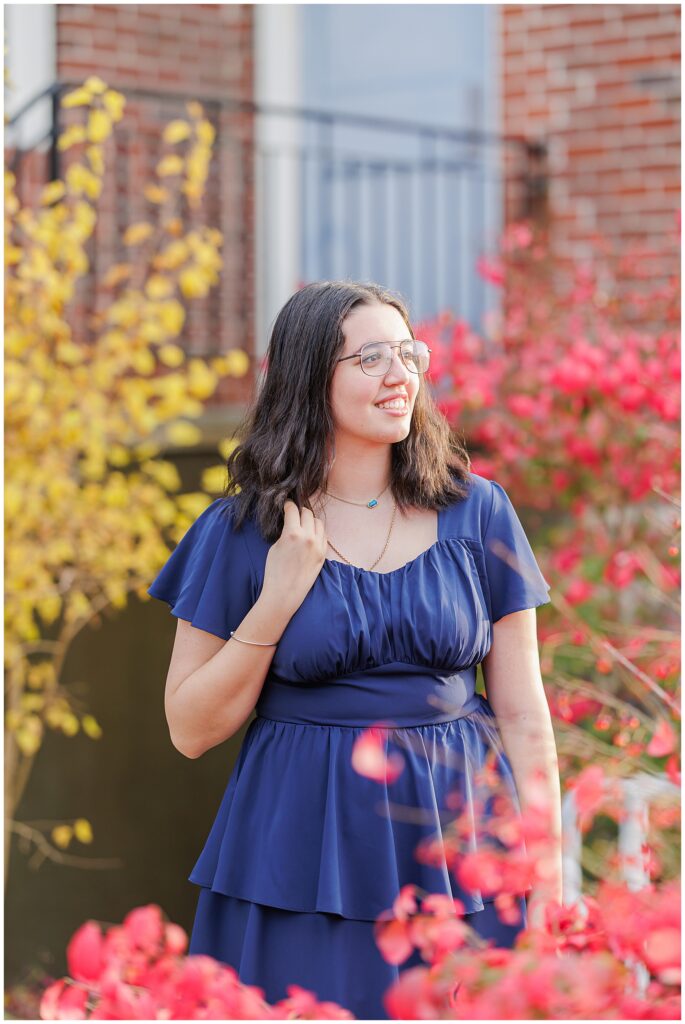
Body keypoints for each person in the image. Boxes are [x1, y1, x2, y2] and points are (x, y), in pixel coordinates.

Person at [147, 280, 561, 1019]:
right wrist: (277, 599)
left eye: (407, 353)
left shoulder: (478, 511)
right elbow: (189, 729)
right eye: (370, 358)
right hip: (299, 851)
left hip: (461, 844)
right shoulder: (240, 531)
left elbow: (524, 713)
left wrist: (549, 875)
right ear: (311, 377)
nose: (400, 375)